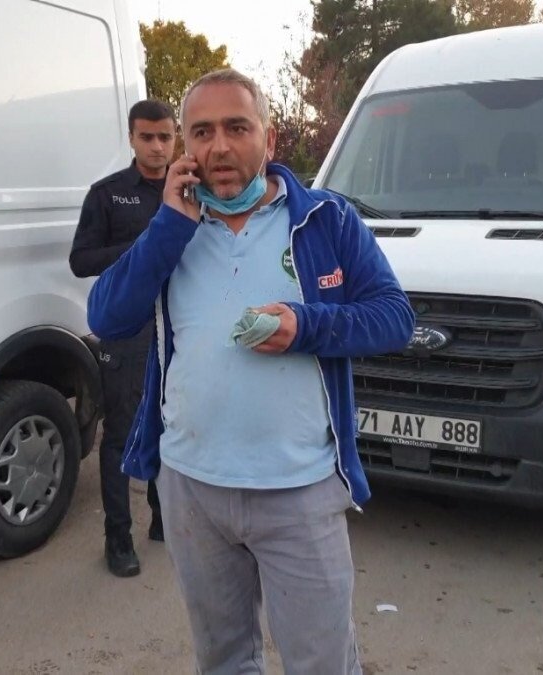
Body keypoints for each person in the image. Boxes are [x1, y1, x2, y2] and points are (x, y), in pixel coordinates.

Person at [87, 69, 414, 674]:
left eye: (237, 128)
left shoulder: (326, 220)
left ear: (269, 137)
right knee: (224, 659)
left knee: (322, 663)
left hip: (299, 489)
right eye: (202, 132)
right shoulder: (174, 226)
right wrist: (169, 227)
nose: (219, 147)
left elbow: (395, 318)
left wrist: (307, 325)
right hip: (191, 487)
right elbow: (106, 317)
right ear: (185, 146)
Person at [69, 99, 177, 577]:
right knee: (121, 435)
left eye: (165, 137)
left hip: (176, 327)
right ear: (131, 138)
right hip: (127, 332)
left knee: (170, 427)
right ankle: (118, 538)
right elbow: (81, 260)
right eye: (146, 137)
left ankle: (162, 519)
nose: (156, 147)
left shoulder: (189, 189)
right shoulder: (108, 195)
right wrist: (141, 249)